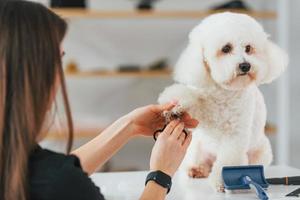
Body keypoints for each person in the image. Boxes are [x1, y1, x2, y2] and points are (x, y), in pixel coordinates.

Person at [0, 1, 199, 200]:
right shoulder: (58, 182)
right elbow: (59, 181)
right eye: (58, 61)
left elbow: (49, 175)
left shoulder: (26, 169)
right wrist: (161, 175)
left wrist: (130, 125)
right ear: (33, 75)